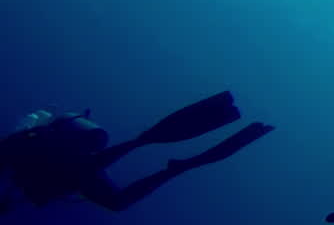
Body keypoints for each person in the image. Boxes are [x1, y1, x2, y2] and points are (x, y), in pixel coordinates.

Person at [0, 91, 274, 213]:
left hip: (63, 162)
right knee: (111, 190)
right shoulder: (18, 154)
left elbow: (30, 166)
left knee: (111, 192)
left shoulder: (14, 152)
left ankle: (170, 163)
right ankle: (162, 157)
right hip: (71, 163)